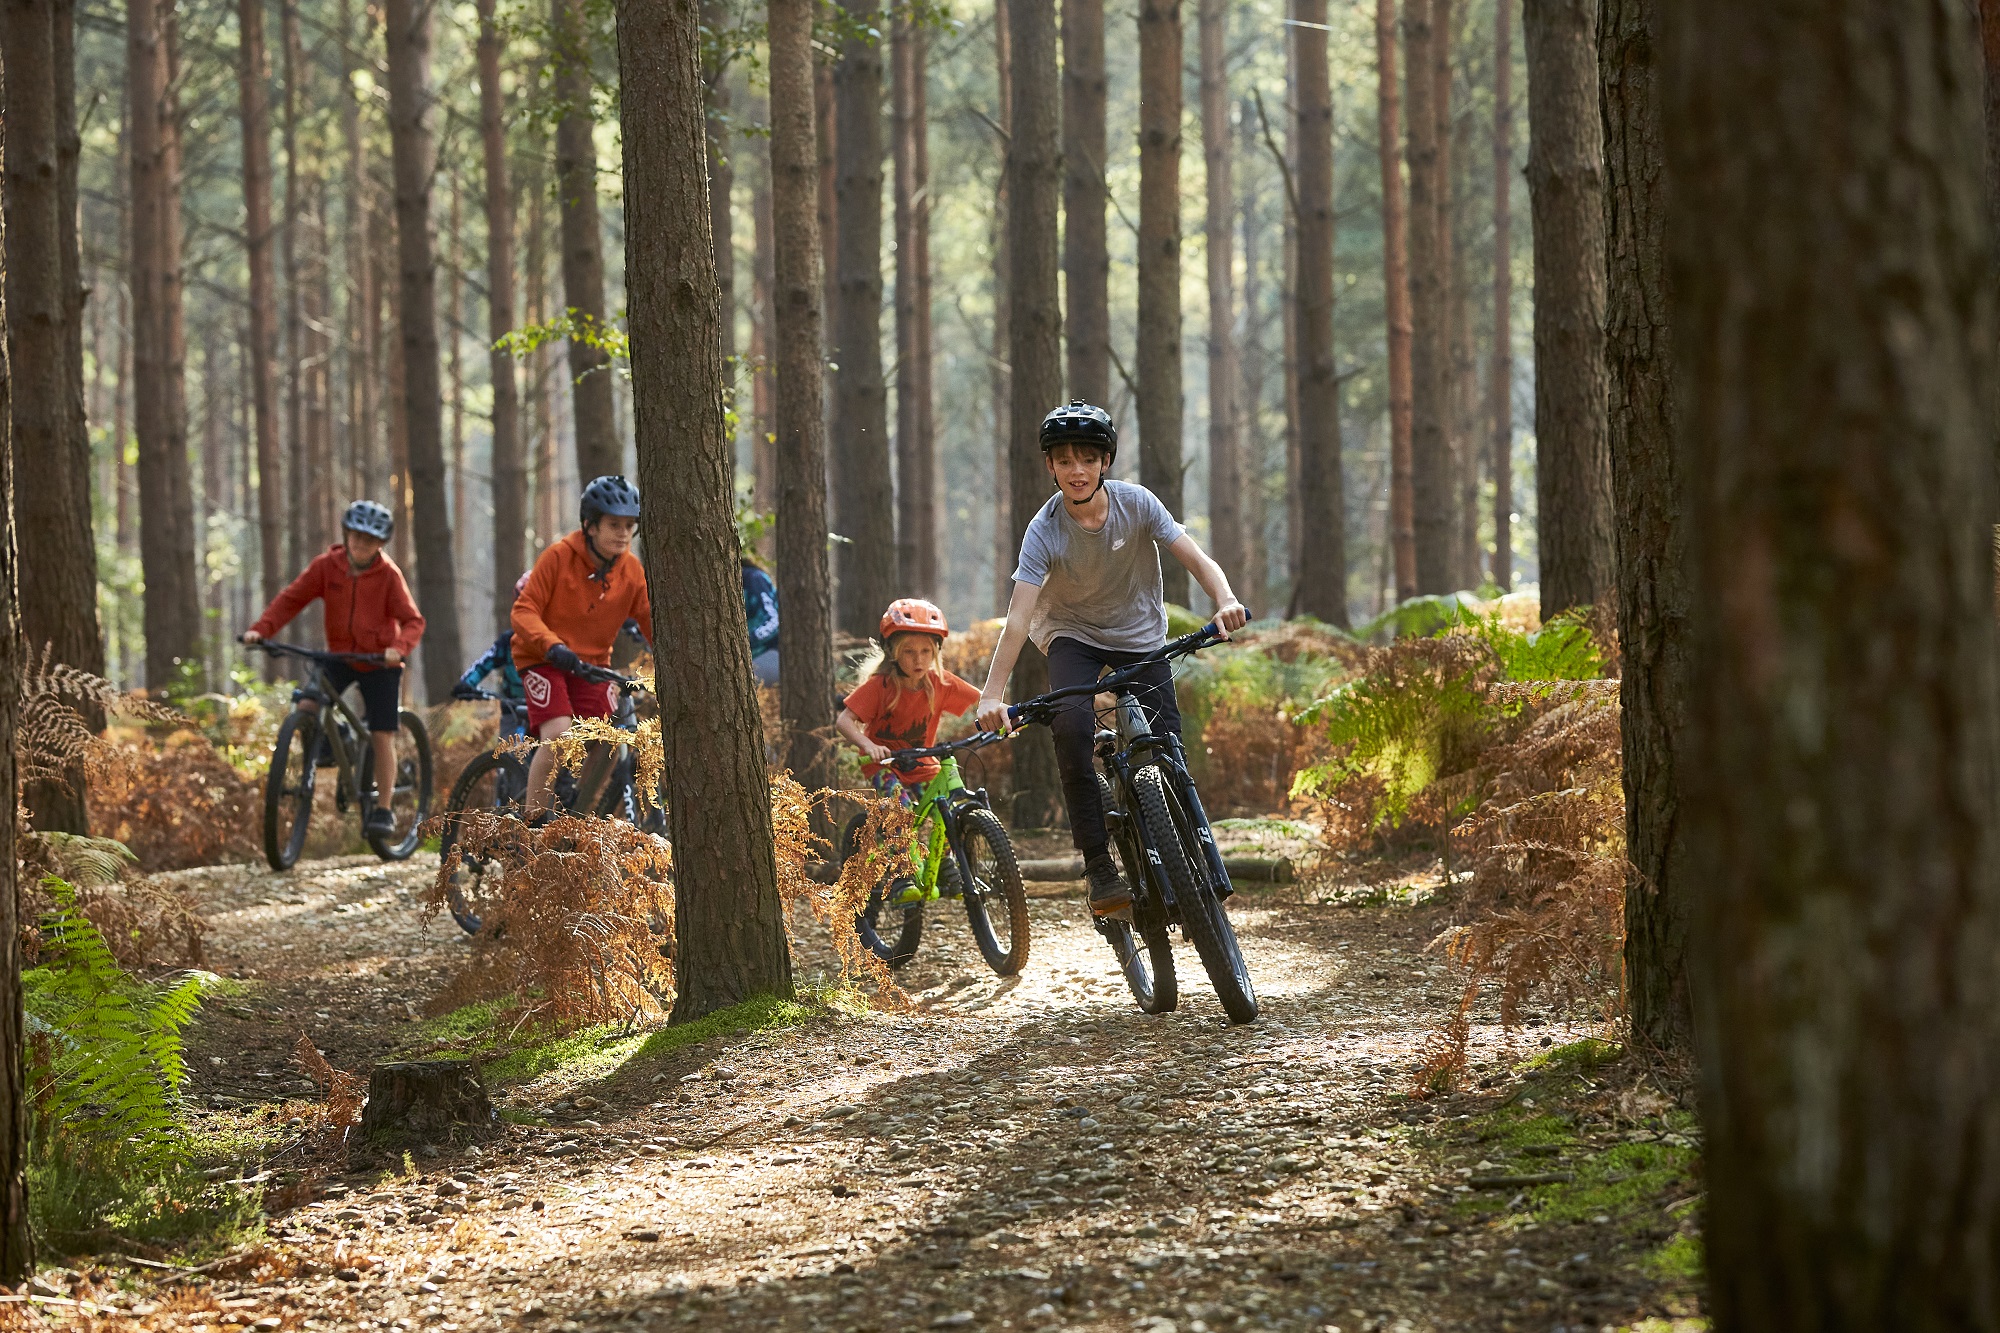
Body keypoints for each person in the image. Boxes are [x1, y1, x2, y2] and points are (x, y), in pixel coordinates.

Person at [976, 401, 1249, 918]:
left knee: (1167, 742)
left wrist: (1226, 600)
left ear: (1105, 462)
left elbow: (1196, 557)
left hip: (1140, 632)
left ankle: (1188, 845)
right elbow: (1017, 620)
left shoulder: (1138, 504)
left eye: (1087, 458)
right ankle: (1100, 865)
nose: (1076, 470)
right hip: (1071, 635)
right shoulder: (1045, 530)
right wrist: (993, 694)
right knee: (1073, 729)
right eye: (1064, 460)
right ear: (1050, 466)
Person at [243, 500, 425, 837]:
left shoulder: (388, 575)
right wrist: (262, 630)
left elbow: (413, 621)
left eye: (369, 540)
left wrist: (396, 649)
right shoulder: (328, 566)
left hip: (379, 663)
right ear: (347, 534)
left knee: (381, 734)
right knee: (307, 705)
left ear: (380, 544)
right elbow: (291, 599)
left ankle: (383, 810)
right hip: (339, 656)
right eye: (355, 537)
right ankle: (332, 738)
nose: (359, 545)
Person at [511, 475, 652, 820]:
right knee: (559, 731)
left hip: (590, 666)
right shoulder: (558, 557)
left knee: (608, 734)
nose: (623, 533)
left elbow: (650, 620)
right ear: (589, 525)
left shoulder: (632, 571)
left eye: (629, 525)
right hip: (542, 658)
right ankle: (533, 820)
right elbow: (523, 611)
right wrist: (551, 645)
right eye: (613, 524)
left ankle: (577, 812)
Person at [837, 599, 982, 905]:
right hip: (885, 765)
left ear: (936, 653)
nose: (919, 659)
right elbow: (844, 720)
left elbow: (982, 701)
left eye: (926, 651)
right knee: (900, 808)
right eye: (909, 652)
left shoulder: (939, 682)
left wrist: (1008, 715)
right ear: (892, 652)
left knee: (946, 808)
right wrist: (868, 745)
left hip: (921, 763)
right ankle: (902, 872)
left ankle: (945, 864)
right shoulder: (880, 686)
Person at [453, 572, 530, 739]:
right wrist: (467, 683)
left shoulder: (555, 644)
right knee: (509, 754)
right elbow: (485, 663)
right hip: (513, 711)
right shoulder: (508, 642)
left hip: (547, 710)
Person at [743, 556, 781, 685]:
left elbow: (773, 621)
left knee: (739, 683)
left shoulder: (753, 578)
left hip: (773, 651)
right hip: (747, 657)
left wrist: (744, 642)